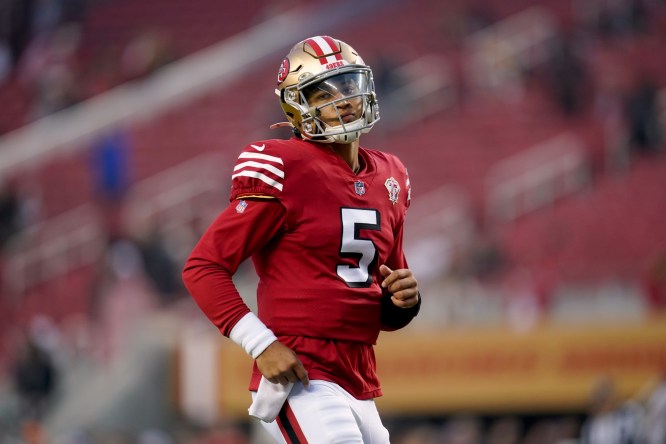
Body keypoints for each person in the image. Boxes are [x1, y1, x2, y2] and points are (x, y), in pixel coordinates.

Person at [183, 35, 421, 443]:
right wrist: (261, 344)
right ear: (296, 106)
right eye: (323, 92)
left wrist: (404, 302)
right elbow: (203, 267)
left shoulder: (391, 175)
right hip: (303, 366)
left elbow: (384, 294)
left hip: (360, 371)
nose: (343, 99)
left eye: (347, 85)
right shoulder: (285, 166)